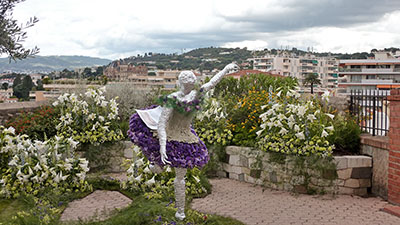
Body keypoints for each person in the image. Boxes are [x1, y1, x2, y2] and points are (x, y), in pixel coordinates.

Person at [128, 63, 238, 220]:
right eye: (187, 83)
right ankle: (153, 164)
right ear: (181, 83)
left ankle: (180, 212)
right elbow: (162, 123)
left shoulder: (196, 95)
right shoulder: (172, 99)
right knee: (159, 168)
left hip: (186, 137)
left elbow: (212, 83)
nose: (189, 85)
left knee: (180, 177)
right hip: (169, 135)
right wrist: (162, 146)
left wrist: (226, 69)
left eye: (191, 83)